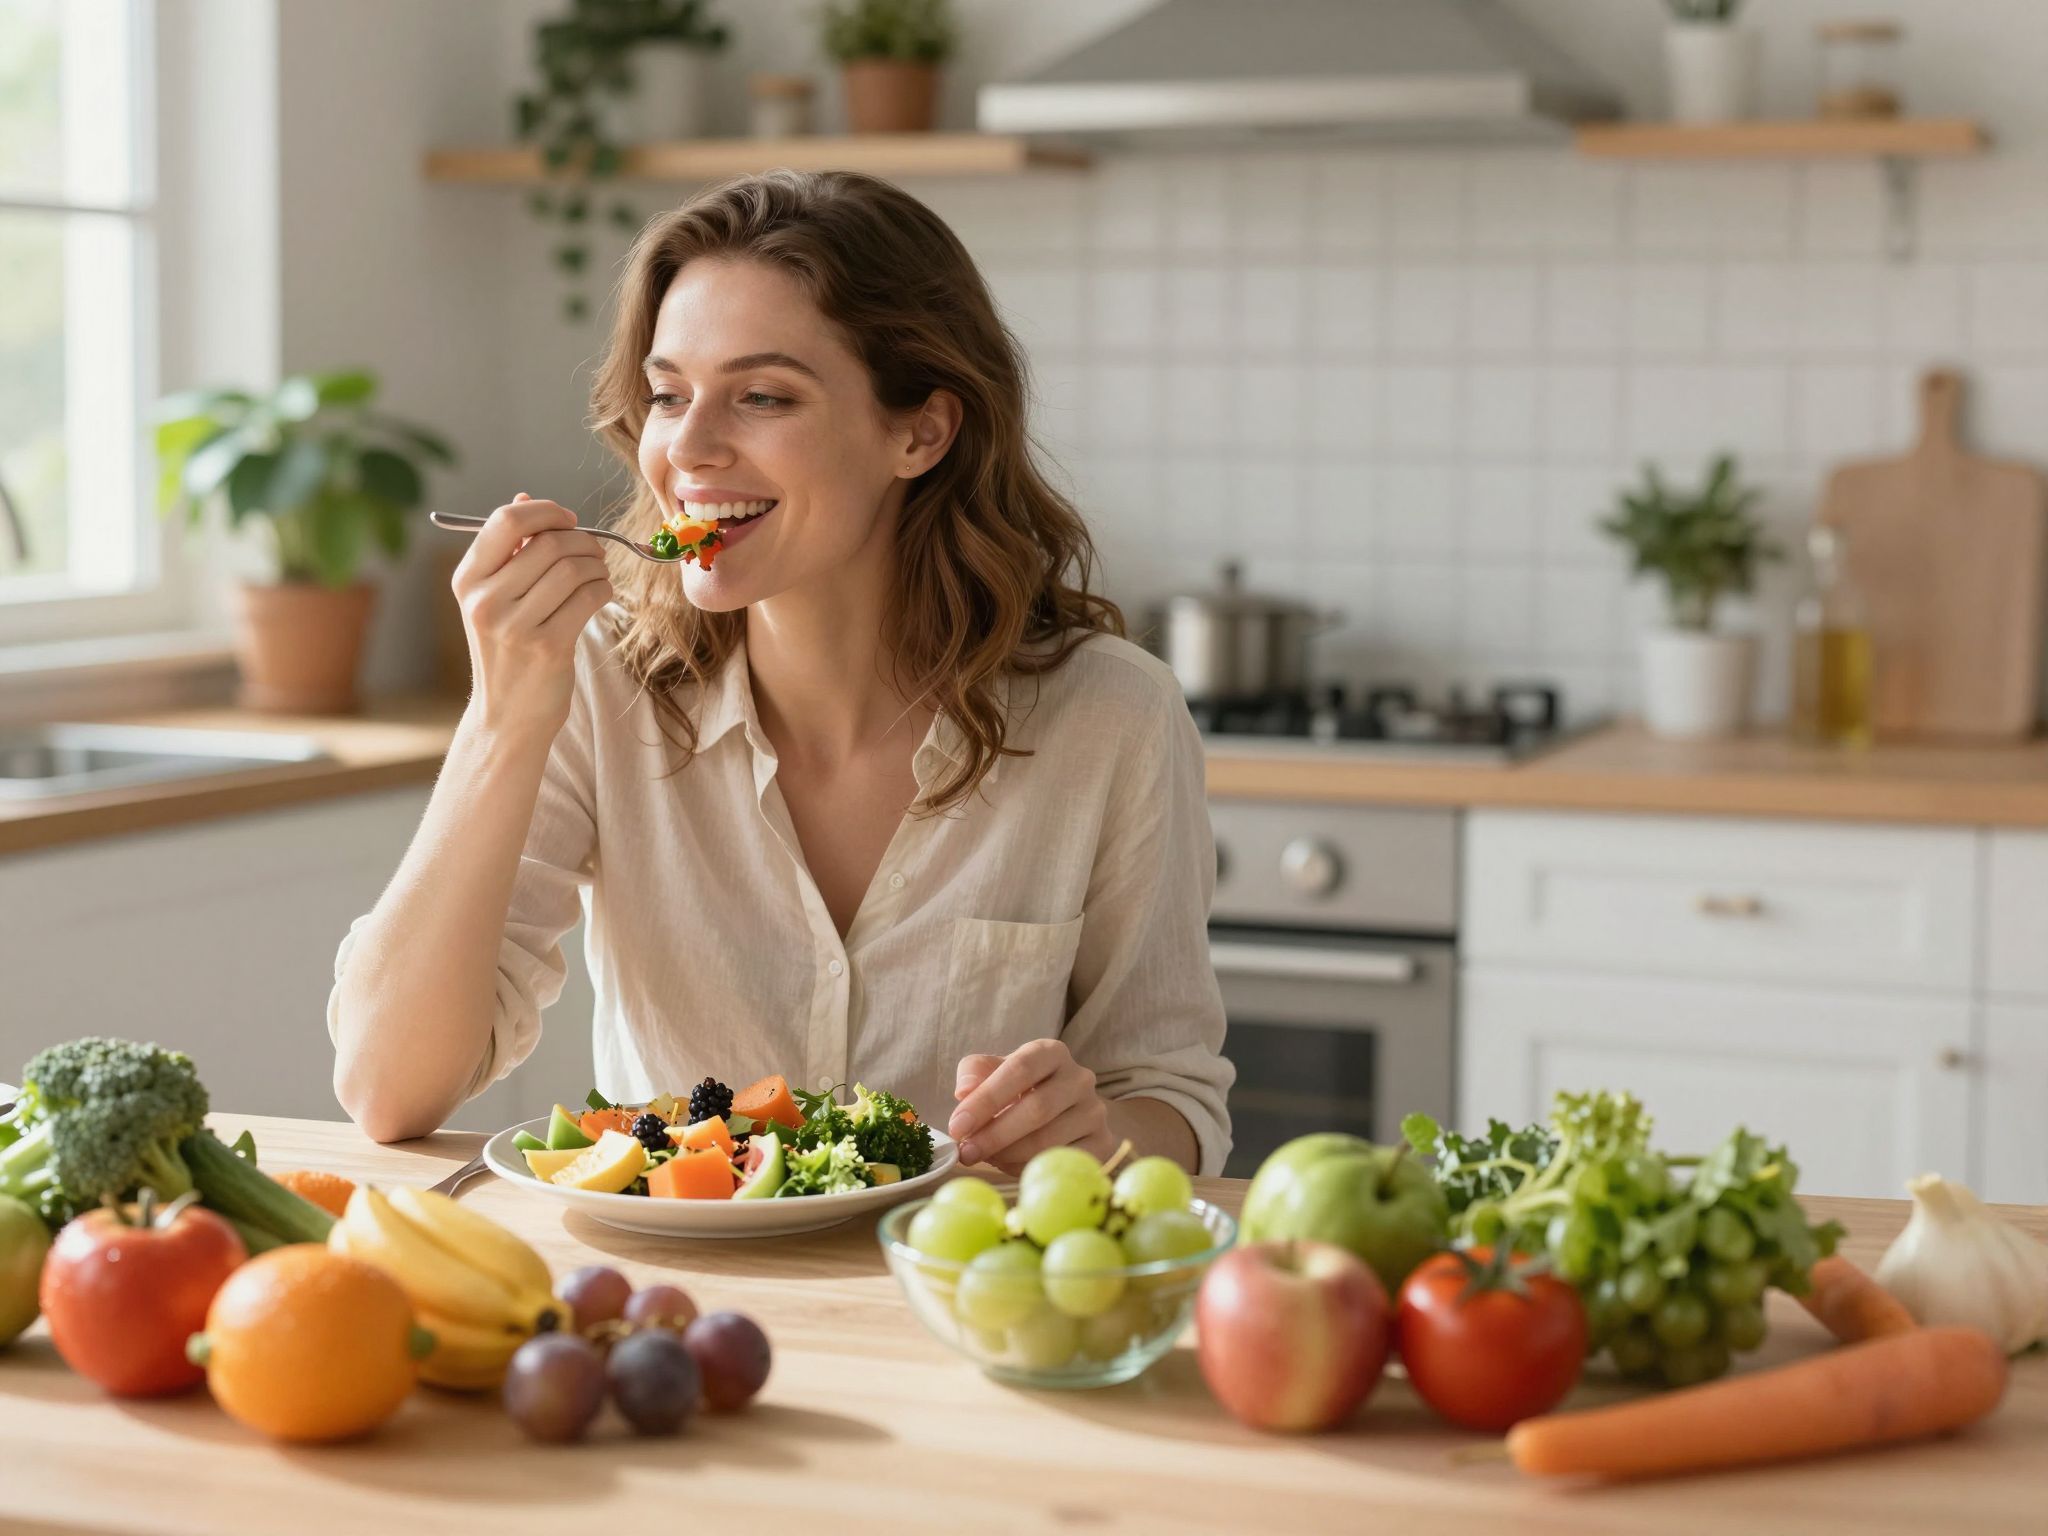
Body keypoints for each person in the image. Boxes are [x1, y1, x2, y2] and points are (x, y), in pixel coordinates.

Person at [328, 170, 1233, 1176]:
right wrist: (502, 716)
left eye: (762, 397)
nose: (689, 448)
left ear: (919, 431)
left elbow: (1171, 1097)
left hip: (961, 1301)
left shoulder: (1111, 715)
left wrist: (1093, 1132)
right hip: (673, 1312)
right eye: (669, 395)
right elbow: (387, 1088)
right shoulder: (601, 681)